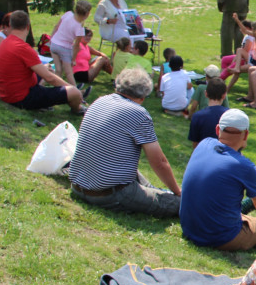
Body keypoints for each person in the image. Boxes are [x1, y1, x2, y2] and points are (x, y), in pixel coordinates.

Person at [178, 108, 256, 251]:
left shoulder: (204, 144)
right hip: (221, 237)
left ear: (218, 129)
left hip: (190, 229)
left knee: (250, 212)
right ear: (246, 134)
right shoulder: (244, 167)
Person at [68, 67, 181, 217]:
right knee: (180, 204)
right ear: (142, 97)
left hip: (78, 185)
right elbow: (159, 162)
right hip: (108, 194)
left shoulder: (99, 101)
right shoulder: (138, 114)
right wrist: (177, 191)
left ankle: (157, 191)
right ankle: (168, 196)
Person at [0, 10, 84, 112]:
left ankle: (43, 101)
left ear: (10, 25)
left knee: (47, 69)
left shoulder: (4, 42)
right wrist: (72, 88)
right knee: (73, 93)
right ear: (28, 26)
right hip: (22, 98)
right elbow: (50, 78)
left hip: (7, 94)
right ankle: (78, 108)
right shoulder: (23, 48)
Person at [49, 0, 92, 85]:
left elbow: (56, 26)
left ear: (75, 9)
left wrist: (51, 38)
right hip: (64, 49)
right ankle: (76, 93)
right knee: (69, 73)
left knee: (58, 70)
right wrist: (73, 59)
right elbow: (76, 45)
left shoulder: (68, 14)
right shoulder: (80, 29)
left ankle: (50, 88)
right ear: (87, 14)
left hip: (54, 44)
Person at [221, 14, 256, 90]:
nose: (240, 29)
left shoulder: (255, 36)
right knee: (225, 59)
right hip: (247, 57)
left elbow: (245, 51)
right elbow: (244, 30)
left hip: (249, 59)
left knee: (234, 66)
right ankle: (223, 83)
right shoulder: (250, 35)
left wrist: (237, 58)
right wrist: (236, 19)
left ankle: (220, 81)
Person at [188, 77, 229, 147]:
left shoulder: (197, 116)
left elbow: (195, 144)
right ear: (224, 95)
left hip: (204, 154)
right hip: (225, 155)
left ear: (206, 94)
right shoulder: (230, 116)